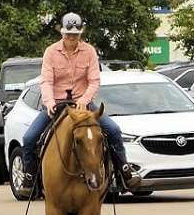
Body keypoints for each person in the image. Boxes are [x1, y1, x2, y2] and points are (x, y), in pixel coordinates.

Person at [18, 12, 141, 197]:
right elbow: (46, 81)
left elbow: (94, 81)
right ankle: (30, 178)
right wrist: (49, 102)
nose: (71, 38)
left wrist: (84, 101)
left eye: (75, 35)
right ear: (62, 33)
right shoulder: (51, 52)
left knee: (113, 130)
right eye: (68, 34)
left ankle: (124, 172)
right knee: (29, 138)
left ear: (80, 34)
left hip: (83, 105)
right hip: (57, 105)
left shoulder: (89, 51)